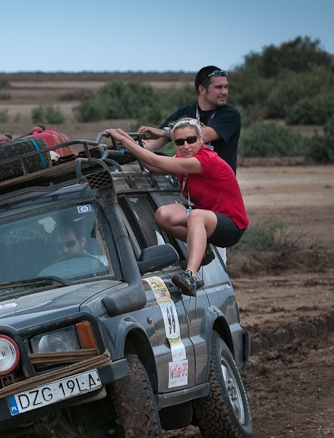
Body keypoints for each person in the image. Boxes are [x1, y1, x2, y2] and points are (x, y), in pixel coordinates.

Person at [103, 119, 248, 296]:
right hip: (208, 217)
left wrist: (124, 140)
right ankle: (203, 248)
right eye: (180, 142)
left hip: (232, 225)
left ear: (201, 139)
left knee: (196, 216)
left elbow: (155, 160)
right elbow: (152, 165)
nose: (186, 146)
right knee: (163, 215)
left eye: (191, 140)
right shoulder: (183, 158)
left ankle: (190, 276)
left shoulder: (204, 160)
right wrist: (125, 139)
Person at [138, 66, 241, 173]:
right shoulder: (185, 112)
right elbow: (152, 143)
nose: (224, 92)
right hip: (190, 184)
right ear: (202, 89)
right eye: (219, 87)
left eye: (226, 87)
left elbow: (202, 136)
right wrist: (129, 143)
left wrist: (164, 132)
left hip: (217, 183)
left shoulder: (230, 114)